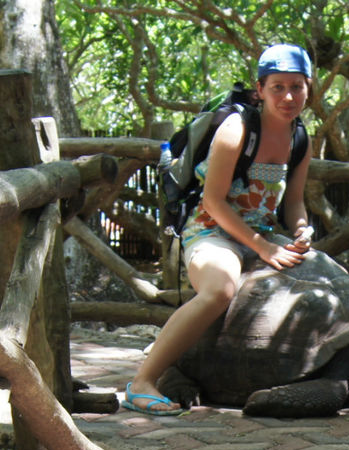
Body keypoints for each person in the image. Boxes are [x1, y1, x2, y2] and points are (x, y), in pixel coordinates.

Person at [122, 44, 314, 415]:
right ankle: (142, 382)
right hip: (211, 233)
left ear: (309, 89)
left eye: (297, 86)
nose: (288, 96)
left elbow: (293, 202)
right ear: (260, 89)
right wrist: (264, 248)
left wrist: (303, 229)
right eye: (278, 87)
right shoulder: (237, 128)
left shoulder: (300, 139)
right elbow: (213, 202)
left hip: (263, 236)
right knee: (220, 289)